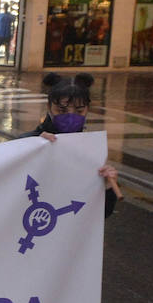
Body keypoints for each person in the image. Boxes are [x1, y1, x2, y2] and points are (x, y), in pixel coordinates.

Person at [22, 73, 121, 217]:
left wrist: (107, 187)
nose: (70, 116)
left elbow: (102, 214)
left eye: (79, 110)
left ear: (87, 109)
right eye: (62, 110)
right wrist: (32, 145)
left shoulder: (92, 152)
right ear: (49, 107)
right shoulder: (28, 142)